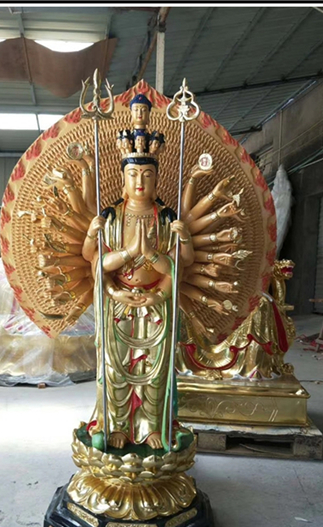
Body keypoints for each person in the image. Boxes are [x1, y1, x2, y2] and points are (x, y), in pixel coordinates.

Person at [82, 94, 193, 450]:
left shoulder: (167, 218)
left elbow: (179, 266)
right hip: (117, 303)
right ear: (122, 177)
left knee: (156, 371)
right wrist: (126, 260)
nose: (140, 181)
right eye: (132, 174)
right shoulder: (111, 216)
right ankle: (117, 425)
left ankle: (151, 427)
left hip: (156, 304)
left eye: (147, 174)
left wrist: (157, 277)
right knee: (115, 369)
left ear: (158, 178)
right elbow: (95, 261)